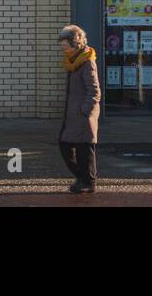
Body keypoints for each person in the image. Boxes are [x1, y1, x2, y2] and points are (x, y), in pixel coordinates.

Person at [58, 23, 101, 193]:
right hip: (73, 114)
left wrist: (85, 111)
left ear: (74, 43)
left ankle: (88, 182)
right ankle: (82, 178)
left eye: (65, 45)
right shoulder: (74, 61)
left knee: (84, 151)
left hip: (83, 115)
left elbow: (94, 91)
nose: (63, 49)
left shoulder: (87, 62)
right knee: (64, 145)